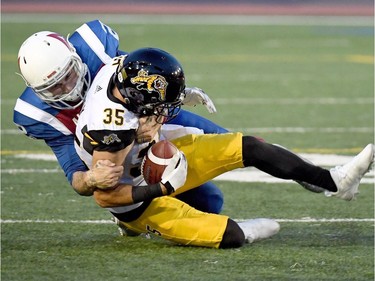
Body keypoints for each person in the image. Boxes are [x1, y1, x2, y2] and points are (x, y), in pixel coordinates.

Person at [74, 47, 374, 248]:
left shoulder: (120, 68)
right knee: (230, 236)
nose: (165, 109)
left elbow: (148, 89)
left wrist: (179, 93)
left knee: (249, 147)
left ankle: (336, 183)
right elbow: (106, 196)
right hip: (138, 199)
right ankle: (137, 226)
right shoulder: (110, 132)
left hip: (158, 154)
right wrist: (162, 189)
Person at [14, 21, 227, 213]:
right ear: (37, 91)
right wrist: (90, 179)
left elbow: (144, 79)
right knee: (207, 202)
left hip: (145, 117)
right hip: (120, 156)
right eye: (53, 88)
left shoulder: (95, 48)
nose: (68, 89)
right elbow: (75, 173)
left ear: (76, 57)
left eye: (68, 76)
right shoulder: (37, 115)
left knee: (227, 144)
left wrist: (156, 116)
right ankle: (130, 220)